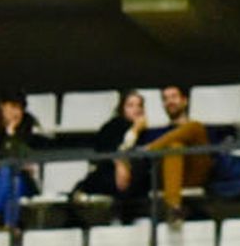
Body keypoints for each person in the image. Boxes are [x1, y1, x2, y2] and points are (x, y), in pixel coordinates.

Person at [141, 85, 213, 221]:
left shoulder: (201, 129)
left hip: (196, 173)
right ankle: (173, 208)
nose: (169, 101)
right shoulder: (157, 132)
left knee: (195, 127)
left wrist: (152, 148)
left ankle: (152, 148)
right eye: (165, 99)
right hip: (167, 177)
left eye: (174, 97)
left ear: (185, 101)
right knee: (174, 146)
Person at [72, 90, 147, 215]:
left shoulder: (144, 131)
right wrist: (119, 164)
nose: (136, 109)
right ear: (122, 108)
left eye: (139, 105)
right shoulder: (113, 126)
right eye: (130, 105)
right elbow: (108, 150)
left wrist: (136, 129)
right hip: (108, 172)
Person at [0, 90, 43, 230]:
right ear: (2, 106)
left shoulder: (27, 127)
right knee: (9, 175)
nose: (17, 112)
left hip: (26, 181)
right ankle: (9, 226)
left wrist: (11, 135)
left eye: (21, 108)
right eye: (13, 106)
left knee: (12, 175)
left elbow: (26, 158)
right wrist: (9, 136)